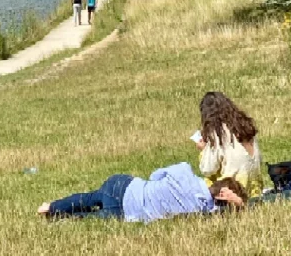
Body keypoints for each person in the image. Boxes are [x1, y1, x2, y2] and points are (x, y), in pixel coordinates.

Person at [39, 166, 245, 222]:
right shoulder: (200, 212)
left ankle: (51, 207)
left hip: (124, 184)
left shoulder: (185, 171)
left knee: (90, 198)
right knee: (89, 218)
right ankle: (59, 218)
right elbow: (222, 214)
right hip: (124, 211)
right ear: (224, 197)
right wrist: (238, 205)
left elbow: (155, 175)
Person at [196, 92, 263, 199]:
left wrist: (204, 151)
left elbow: (207, 169)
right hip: (255, 190)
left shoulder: (219, 133)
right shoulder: (244, 127)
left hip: (235, 190)